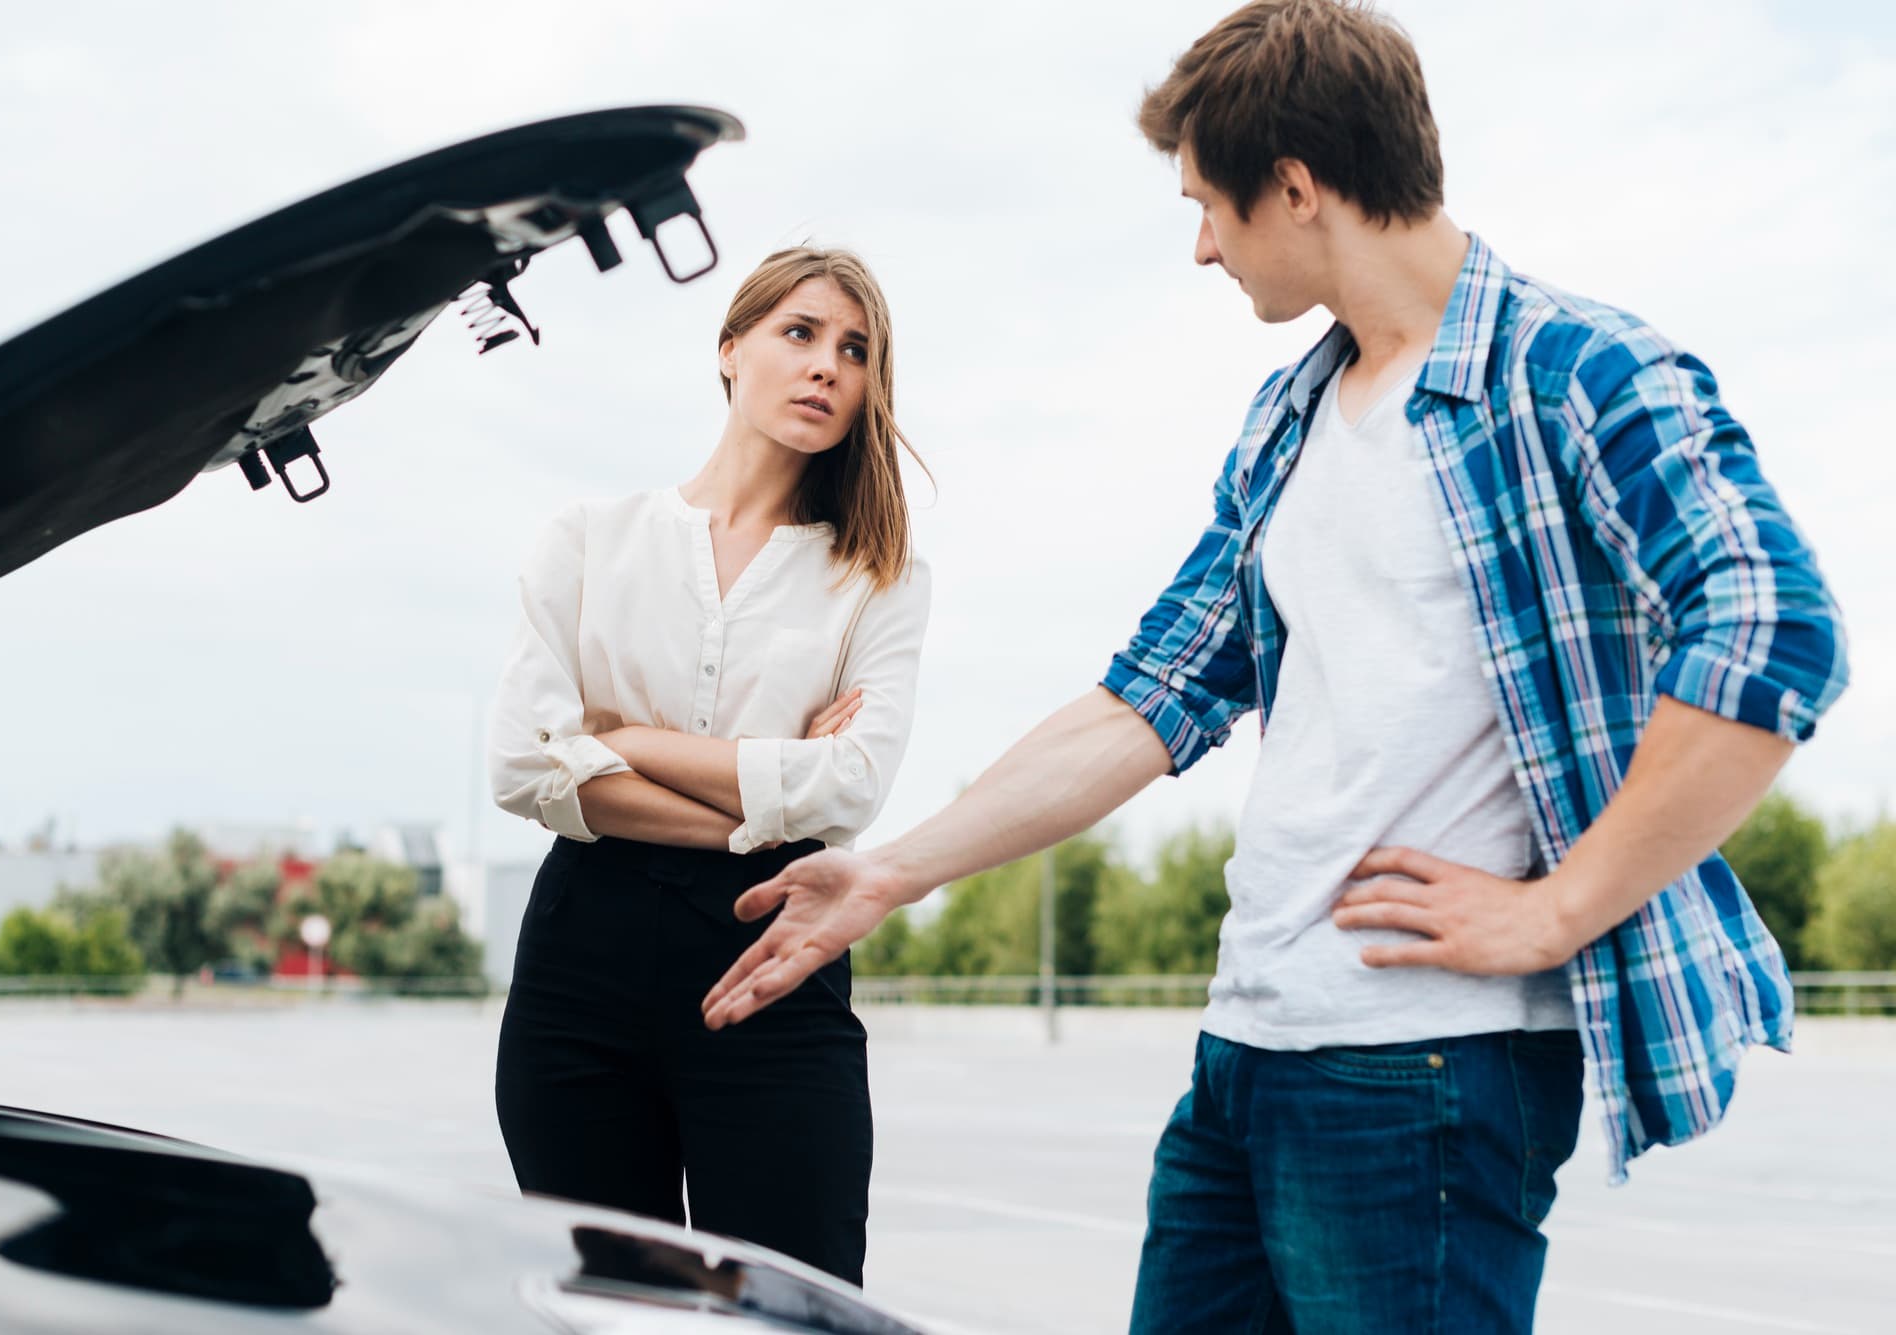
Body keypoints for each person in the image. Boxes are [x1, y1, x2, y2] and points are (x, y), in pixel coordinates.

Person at [698, 4, 1849, 1330]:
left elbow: (1775, 623)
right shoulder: (1289, 420)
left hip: (1424, 1068)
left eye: (1209, 207)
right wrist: (895, 869)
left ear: (1295, 188)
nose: (1200, 245)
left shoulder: (1572, 369)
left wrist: (1560, 906)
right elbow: (1151, 693)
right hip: (1246, 1049)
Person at [488, 246, 931, 1286]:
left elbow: (852, 787)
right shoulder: (588, 540)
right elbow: (521, 764)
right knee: (610, 1308)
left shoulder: (878, 574)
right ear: (729, 350)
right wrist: (765, 799)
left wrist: (626, 741)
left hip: (772, 955)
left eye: (855, 350)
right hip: (578, 969)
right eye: (799, 332)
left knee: (792, 1303)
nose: (827, 365)